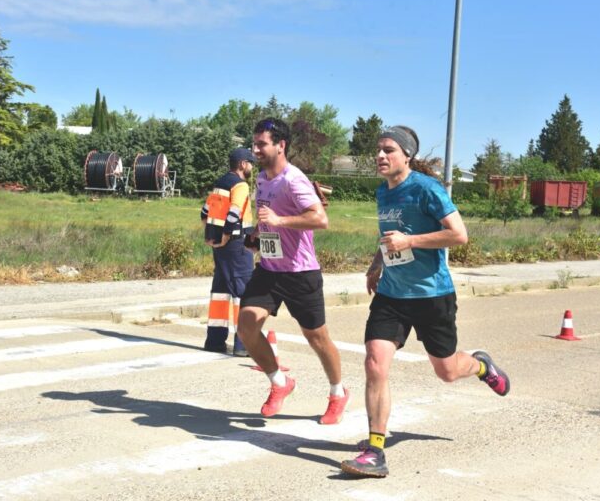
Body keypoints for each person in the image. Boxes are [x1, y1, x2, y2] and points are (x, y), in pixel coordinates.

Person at [340, 126, 511, 478]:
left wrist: (411, 242)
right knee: (375, 362)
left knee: (447, 371)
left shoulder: (426, 189)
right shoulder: (383, 192)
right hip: (392, 294)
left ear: (406, 155)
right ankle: (375, 450)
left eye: (388, 150)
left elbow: (459, 234)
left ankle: (480, 365)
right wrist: (377, 262)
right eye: (378, 150)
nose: (380, 156)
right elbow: (389, 235)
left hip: (432, 295)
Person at [236, 117, 349, 425]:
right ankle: (279, 383)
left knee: (318, 339)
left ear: (280, 145)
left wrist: (279, 221)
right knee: (246, 326)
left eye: (261, 144)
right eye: (254, 143)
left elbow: (320, 219)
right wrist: (258, 237)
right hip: (271, 269)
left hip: (300, 272)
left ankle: (338, 393)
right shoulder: (261, 178)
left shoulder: (293, 179)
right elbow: (267, 217)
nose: (255, 149)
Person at [200, 147, 257, 356]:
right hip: (237, 244)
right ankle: (243, 345)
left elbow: (205, 213)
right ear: (242, 164)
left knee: (221, 292)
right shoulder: (240, 185)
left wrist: (213, 237)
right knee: (244, 291)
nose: (252, 167)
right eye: (250, 163)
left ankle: (214, 341)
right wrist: (225, 236)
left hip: (219, 247)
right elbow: (234, 213)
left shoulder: (220, 183)